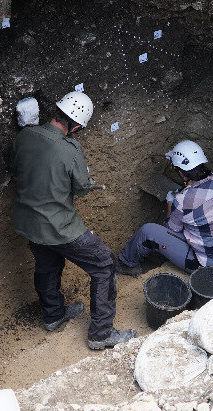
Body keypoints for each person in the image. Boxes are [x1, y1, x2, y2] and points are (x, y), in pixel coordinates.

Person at [11, 91, 137, 350]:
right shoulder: (70, 149)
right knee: (103, 265)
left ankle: (53, 316)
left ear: (56, 112)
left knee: (47, 264)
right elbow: (80, 188)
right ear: (77, 126)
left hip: (29, 223)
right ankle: (101, 334)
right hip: (59, 226)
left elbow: (17, 169)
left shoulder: (24, 136)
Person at [116, 140, 213, 276]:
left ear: (182, 173)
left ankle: (126, 264)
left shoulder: (181, 201)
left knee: (148, 232)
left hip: (206, 267)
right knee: (192, 223)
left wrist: (171, 203)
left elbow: (170, 230)